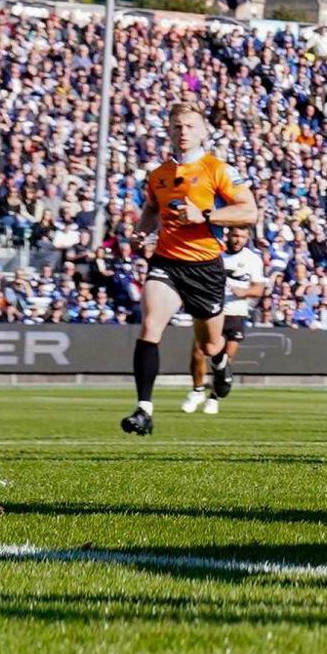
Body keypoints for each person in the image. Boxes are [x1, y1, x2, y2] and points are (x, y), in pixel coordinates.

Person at [123, 103, 258, 437]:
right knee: (151, 325)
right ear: (169, 131)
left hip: (205, 267)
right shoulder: (158, 175)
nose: (183, 132)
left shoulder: (218, 169)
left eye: (190, 126)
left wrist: (206, 216)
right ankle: (144, 410)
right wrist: (143, 231)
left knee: (211, 345)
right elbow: (152, 210)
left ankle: (220, 366)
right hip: (167, 262)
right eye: (177, 127)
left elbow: (249, 212)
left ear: (203, 131)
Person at [186, 222, 266, 416]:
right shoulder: (216, 254)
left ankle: (213, 398)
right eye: (235, 236)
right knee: (198, 352)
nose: (238, 240)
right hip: (213, 311)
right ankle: (197, 391)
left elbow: (259, 289)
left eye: (243, 237)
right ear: (228, 234)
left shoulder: (253, 260)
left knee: (224, 360)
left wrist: (244, 292)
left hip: (236, 314)